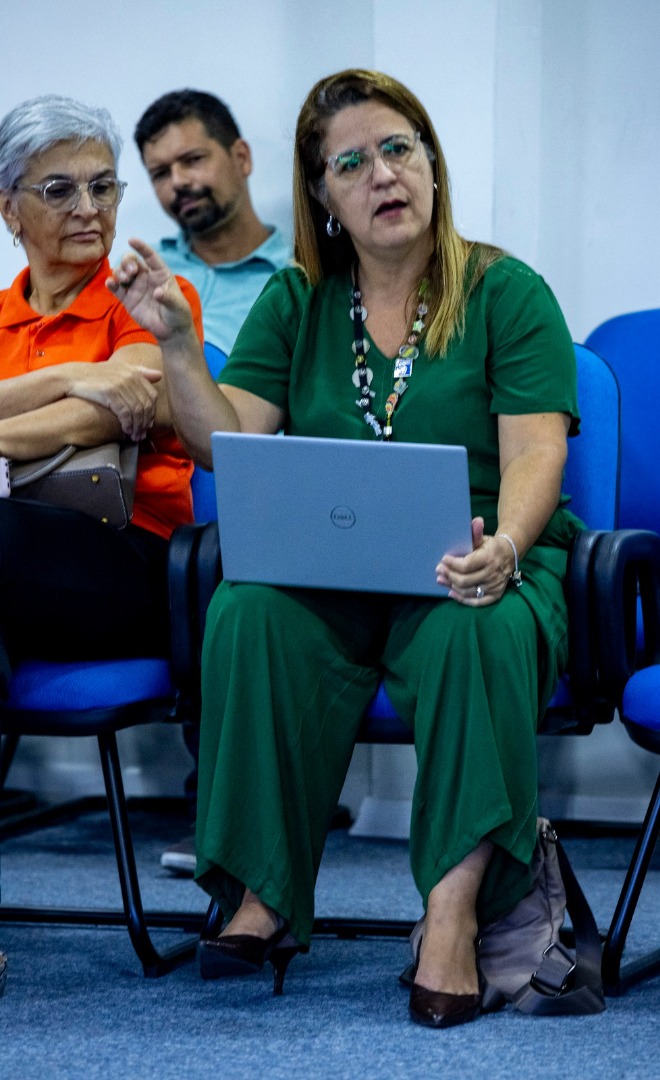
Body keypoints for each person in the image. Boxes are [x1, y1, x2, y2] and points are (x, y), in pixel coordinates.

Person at [108, 69, 582, 1029]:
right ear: (323, 194)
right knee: (247, 607)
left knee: (477, 629)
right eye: (352, 163)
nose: (383, 175)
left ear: (432, 164)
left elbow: (536, 452)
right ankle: (263, 892)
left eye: (398, 149)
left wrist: (506, 547)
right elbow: (225, 439)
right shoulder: (297, 300)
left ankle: (452, 915)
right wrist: (179, 346)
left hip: (478, 558)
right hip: (335, 567)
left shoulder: (507, 291)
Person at [134, 89, 292, 873]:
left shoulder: (305, 274)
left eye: (192, 159)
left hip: (272, 488)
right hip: (168, 482)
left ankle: (233, 809)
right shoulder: (144, 281)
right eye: (160, 172)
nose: (178, 183)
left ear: (242, 157)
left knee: (222, 566)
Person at [0, 94, 203, 695]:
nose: (88, 209)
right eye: (59, 190)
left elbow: (112, 414)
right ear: (10, 210)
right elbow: (86, 400)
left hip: (129, 558)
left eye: (103, 187)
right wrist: (67, 378)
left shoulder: (150, 295)